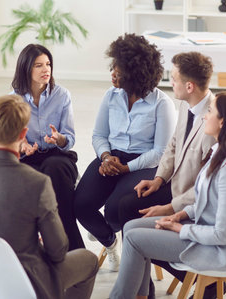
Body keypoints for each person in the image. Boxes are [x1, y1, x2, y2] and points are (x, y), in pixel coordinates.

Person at [110, 91, 226, 299]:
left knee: (133, 240)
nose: (204, 116)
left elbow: (223, 234)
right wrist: (180, 215)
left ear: (223, 122)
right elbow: (207, 201)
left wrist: (179, 228)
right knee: (131, 226)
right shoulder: (220, 151)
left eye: (210, 111)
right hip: (203, 227)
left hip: (219, 248)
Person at [0, 95, 98, 299]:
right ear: (24, 133)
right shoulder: (37, 182)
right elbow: (57, 251)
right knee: (89, 260)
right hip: (22, 283)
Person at [74, 33, 176, 271]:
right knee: (80, 204)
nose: (113, 74)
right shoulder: (110, 96)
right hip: (112, 157)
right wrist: (106, 157)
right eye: (113, 68)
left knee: (114, 209)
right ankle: (109, 241)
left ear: (134, 74)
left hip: (143, 164)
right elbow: (99, 135)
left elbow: (160, 152)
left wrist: (127, 167)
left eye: (118, 70)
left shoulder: (162, 104)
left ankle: (126, 249)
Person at [11, 44, 84, 250]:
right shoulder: (13, 98)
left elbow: (69, 138)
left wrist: (59, 138)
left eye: (48, 64)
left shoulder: (61, 95)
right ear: (26, 69)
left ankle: (72, 249)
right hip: (28, 158)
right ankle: (44, 249)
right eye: (38, 65)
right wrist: (21, 144)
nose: (46, 70)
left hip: (57, 155)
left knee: (54, 169)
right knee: (32, 179)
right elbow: (10, 138)